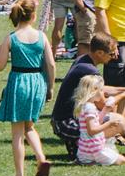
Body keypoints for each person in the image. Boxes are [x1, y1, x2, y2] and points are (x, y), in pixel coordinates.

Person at [0, 0, 55, 176]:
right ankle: (41, 158)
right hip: (38, 82)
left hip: (19, 82)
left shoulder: (11, 38)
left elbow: (0, 65)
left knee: (17, 133)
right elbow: (51, 64)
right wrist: (50, 87)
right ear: (33, 16)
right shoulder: (42, 36)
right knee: (29, 126)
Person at [50, 32, 124, 160]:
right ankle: (83, 148)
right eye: (112, 53)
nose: (115, 56)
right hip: (67, 124)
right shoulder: (90, 71)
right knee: (118, 122)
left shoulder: (83, 60)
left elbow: (100, 89)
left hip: (60, 121)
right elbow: (105, 104)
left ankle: (78, 145)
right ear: (100, 53)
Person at [73, 75, 125, 165]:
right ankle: (94, 161)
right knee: (122, 160)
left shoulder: (87, 105)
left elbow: (97, 123)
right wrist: (109, 123)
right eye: (101, 90)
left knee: (119, 157)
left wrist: (105, 110)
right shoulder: (89, 108)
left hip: (86, 150)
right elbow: (92, 131)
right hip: (95, 150)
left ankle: (88, 161)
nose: (103, 93)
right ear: (94, 90)